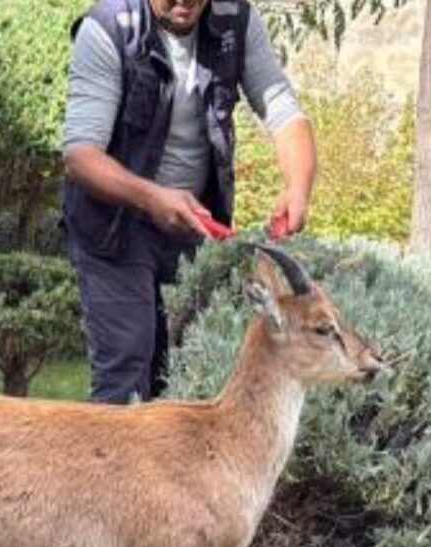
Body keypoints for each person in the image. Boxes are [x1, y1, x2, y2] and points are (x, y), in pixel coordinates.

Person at [61, 0, 317, 404]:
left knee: (182, 370)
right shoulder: (108, 29)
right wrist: (152, 196)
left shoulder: (237, 21)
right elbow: (81, 156)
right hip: (113, 228)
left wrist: (298, 187)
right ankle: (108, 465)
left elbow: (284, 113)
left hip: (193, 228)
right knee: (127, 369)